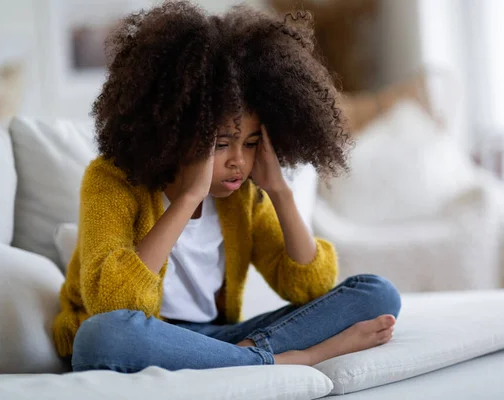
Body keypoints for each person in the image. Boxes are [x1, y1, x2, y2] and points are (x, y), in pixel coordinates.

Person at [52, 1, 401, 373]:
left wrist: (280, 193)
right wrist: (188, 197)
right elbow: (115, 303)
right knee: (100, 335)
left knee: (377, 294)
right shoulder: (112, 180)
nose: (238, 160)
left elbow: (310, 288)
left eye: (250, 143)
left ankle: (247, 356)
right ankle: (283, 359)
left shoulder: (244, 196)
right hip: (144, 337)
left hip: (216, 340)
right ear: (176, 131)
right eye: (221, 143)